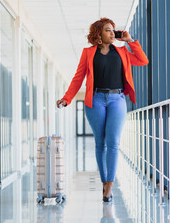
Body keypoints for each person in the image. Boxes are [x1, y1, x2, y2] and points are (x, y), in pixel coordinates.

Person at [56, 17, 149, 202]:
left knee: (113, 142)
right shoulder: (88, 53)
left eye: (113, 30)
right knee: (100, 143)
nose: (112, 33)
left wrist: (130, 41)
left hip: (117, 99)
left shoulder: (122, 52)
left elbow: (143, 60)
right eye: (108, 30)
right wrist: (67, 99)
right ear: (98, 33)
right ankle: (104, 181)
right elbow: (78, 78)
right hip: (96, 100)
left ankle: (109, 186)